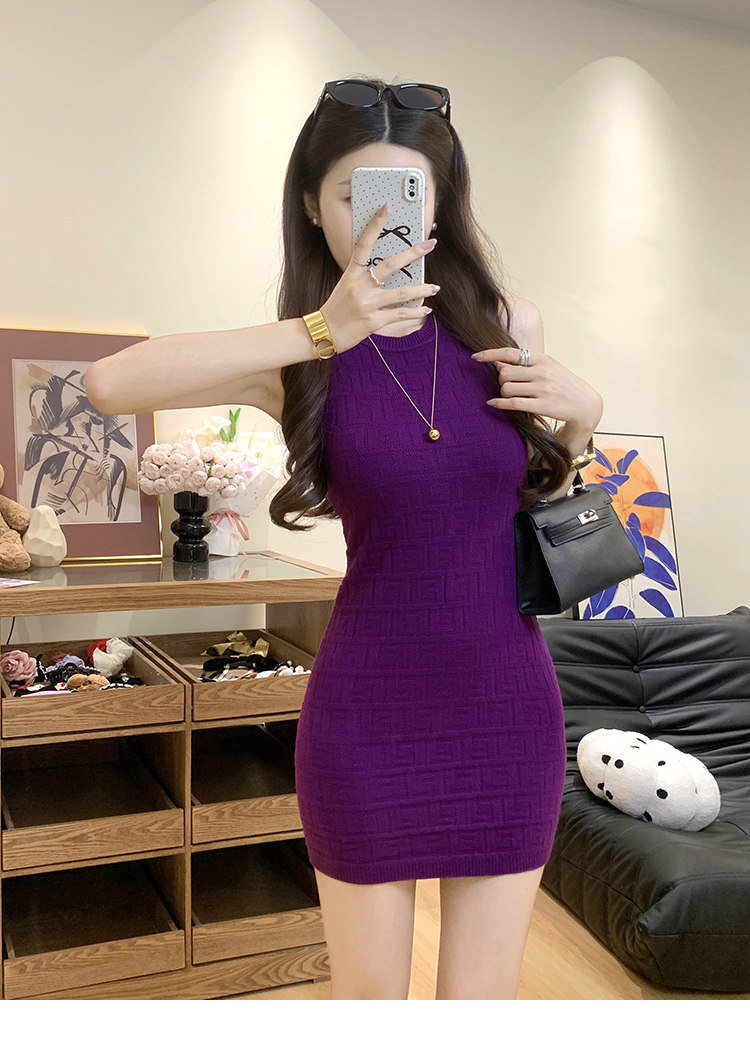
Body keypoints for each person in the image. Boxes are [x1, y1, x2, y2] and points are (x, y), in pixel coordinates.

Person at [85, 77, 603, 1000]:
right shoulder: (301, 358)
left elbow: (530, 504)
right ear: (311, 206)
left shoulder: (507, 325)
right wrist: (323, 328)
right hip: (367, 713)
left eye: (409, 195)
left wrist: (581, 421)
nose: (385, 223)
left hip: (506, 708)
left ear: (441, 203)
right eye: (357, 198)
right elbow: (109, 384)